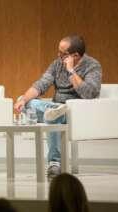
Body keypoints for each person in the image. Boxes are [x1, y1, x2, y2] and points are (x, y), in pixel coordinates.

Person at [14, 35, 101, 177]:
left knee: (54, 115)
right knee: (24, 99)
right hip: (55, 107)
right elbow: (41, 84)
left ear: (76, 55)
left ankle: (55, 162)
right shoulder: (56, 64)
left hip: (75, 112)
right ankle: (54, 111)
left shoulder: (93, 66)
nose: (58, 55)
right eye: (58, 51)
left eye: (62, 53)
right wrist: (23, 100)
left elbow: (90, 93)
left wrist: (71, 71)